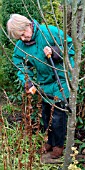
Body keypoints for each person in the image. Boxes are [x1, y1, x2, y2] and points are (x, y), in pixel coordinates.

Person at [7, 14, 75, 159]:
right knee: (46, 115)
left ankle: (58, 145)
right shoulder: (22, 46)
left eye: (23, 35)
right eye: (19, 38)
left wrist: (55, 51)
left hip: (61, 80)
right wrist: (28, 81)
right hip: (44, 83)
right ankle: (50, 141)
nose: (23, 39)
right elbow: (19, 64)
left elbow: (70, 46)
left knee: (58, 116)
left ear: (28, 25)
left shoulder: (49, 32)